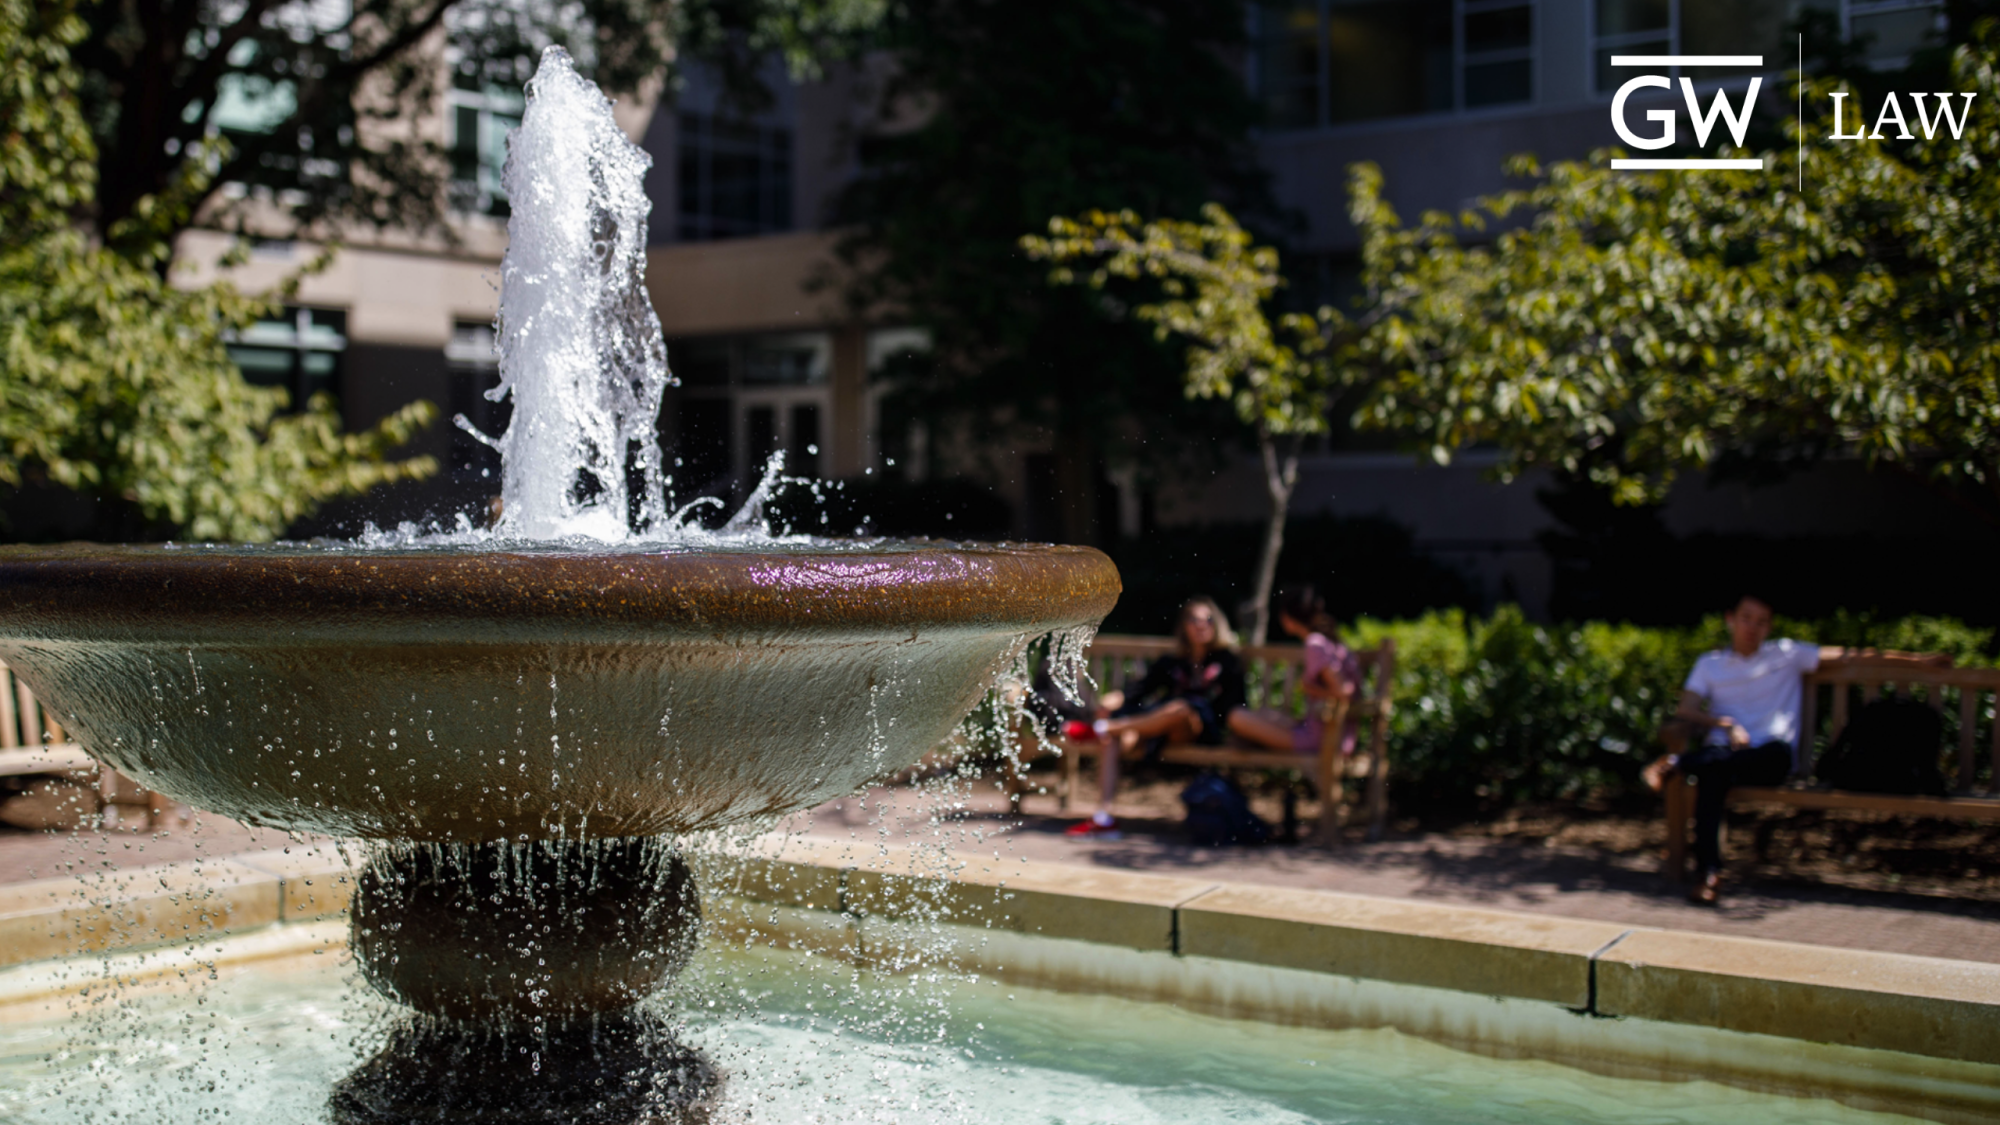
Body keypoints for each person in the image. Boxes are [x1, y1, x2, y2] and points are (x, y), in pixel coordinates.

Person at [1065, 596, 1244, 839]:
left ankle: (1102, 728)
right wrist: (1116, 699)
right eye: (1193, 620)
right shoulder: (1171, 662)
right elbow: (1139, 692)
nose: (1201, 625)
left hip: (1202, 731)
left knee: (1181, 709)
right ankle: (1103, 818)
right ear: (1184, 626)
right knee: (1114, 739)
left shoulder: (1228, 662)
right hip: (1160, 730)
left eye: (1207, 620)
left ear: (1217, 624)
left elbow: (1235, 708)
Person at [1226, 584, 1361, 756]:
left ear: (1288, 616)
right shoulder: (1330, 640)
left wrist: (1309, 688)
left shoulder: (1315, 643)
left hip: (1322, 740)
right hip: (1332, 735)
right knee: (1262, 713)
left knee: (1236, 717)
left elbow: (1344, 692)